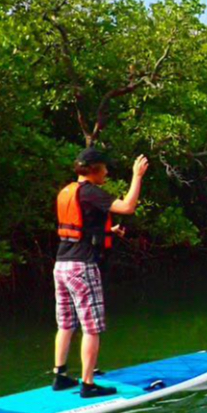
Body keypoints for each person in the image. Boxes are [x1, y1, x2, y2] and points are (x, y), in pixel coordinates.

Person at [52, 147, 149, 397]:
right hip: (82, 267)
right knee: (91, 327)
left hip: (61, 265)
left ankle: (60, 376)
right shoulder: (91, 192)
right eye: (104, 168)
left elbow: (81, 230)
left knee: (66, 324)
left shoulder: (68, 191)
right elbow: (127, 206)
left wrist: (109, 232)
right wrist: (137, 176)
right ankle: (88, 383)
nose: (107, 172)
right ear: (94, 170)